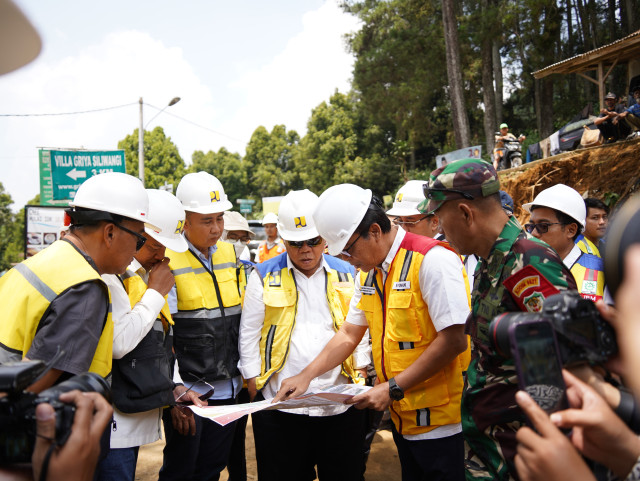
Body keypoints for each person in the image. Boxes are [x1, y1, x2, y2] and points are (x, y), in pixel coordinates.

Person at [275, 184, 471, 481]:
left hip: (442, 424)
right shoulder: (370, 272)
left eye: (350, 250)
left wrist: (392, 387)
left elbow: (454, 340)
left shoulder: (432, 261)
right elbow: (349, 334)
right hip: (404, 418)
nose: (348, 260)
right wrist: (306, 376)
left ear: (376, 231)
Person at [418, 158, 577, 480]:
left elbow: (570, 364)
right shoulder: (490, 262)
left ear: (465, 213)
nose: (440, 230)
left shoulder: (529, 263)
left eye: (440, 218)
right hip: (490, 446)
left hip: (522, 453)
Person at [239, 189, 370, 481]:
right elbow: (249, 334)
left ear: (325, 237)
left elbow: (359, 327)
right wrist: (253, 382)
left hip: (339, 404)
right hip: (281, 408)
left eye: (313, 241)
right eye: (296, 243)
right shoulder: (262, 276)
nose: (306, 250)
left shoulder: (348, 272)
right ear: (283, 241)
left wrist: (360, 368)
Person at [0, 172, 153, 392]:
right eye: (139, 239)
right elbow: (28, 388)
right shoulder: (84, 287)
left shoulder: (38, 264)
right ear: (109, 233)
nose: (137, 250)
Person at [97, 189, 204, 481]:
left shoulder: (144, 278)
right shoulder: (111, 278)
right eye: (154, 246)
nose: (162, 255)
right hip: (110, 422)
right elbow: (119, 344)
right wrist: (156, 293)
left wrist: (176, 388)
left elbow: (160, 342)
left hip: (131, 417)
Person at [160, 171, 243, 481]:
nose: (217, 228)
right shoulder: (168, 259)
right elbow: (163, 337)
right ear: (184, 220)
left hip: (229, 389)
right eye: (207, 220)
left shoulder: (230, 254)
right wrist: (175, 389)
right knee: (181, 471)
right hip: (191, 395)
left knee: (211, 470)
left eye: (220, 218)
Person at [523, 184, 607, 303]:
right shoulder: (531, 263)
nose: (534, 233)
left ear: (571, 230)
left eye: (543, 226)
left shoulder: (592, 272)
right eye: (531, 226)